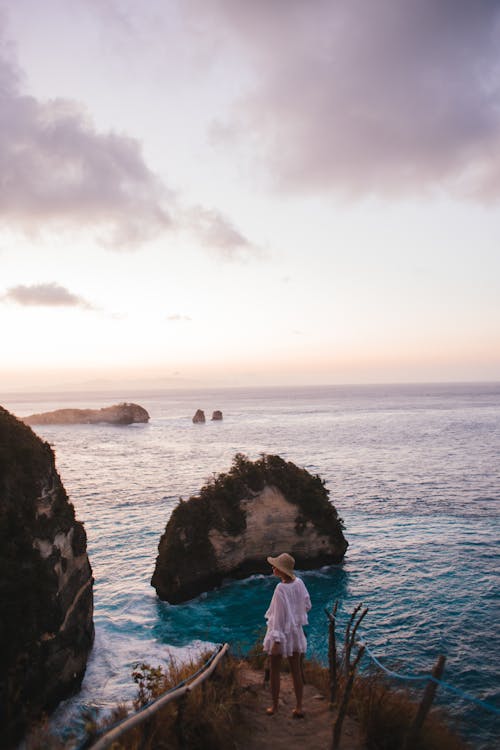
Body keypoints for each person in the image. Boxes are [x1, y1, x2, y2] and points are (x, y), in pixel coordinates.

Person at [263, 552, 312, 718]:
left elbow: (278, 616)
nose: (273, 568)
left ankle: (275, 706)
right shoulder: (299, 583)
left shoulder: (280, 589)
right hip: (295, 633)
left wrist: (276, 640)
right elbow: (307, 605)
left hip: (281, 635)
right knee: (296, 670)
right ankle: (299, 707)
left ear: (281, 570)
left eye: (275, 566)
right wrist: (296, 619)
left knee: (275, 670)